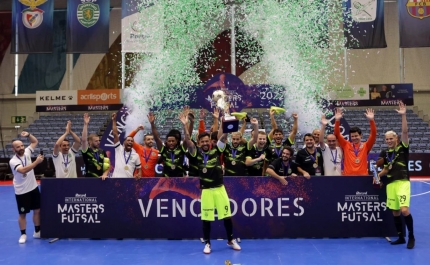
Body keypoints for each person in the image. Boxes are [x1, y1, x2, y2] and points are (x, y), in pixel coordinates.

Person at [179, 112, 241, 254]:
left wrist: (224, 123)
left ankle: (231, 239)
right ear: (199, 143)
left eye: (207, 141)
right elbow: (188, 141)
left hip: (220, 189)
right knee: (206, 219)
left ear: (210, 142)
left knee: (226, 216)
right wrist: (185, 125)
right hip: (206, 190)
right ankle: (207, 243)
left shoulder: (217, 151)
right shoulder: (196, 154)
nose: (205, 143)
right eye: (203, 142)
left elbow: (224, 137)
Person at [377, 102, 415, 249]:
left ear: (396, 138)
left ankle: (411, 236)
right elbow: (386, 169)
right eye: (386, 139)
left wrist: (403, 115)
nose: (389, 141)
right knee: (395, 212)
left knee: (404, 210)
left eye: (391, 138)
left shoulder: (403, 148)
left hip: (403, 182)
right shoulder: (385, 153)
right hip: (391, 183)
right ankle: (400, 237)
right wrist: (378, 175)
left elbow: (405, 132)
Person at [9, 132, 44, 244]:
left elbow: (34, 142)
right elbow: (23, 170)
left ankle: (37, 231)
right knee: (22, 214)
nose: (21, 148)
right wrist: (37, 162)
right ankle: (23, 234)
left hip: (33, 188)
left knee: (37, 210)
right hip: (21, 191)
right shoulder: (13, 161)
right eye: (18, 147)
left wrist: (28, 135)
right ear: (13, 149)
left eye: (22, 146)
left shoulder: (28, 152)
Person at [334, 108, 376, 175]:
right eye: (352, 136)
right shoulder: (346, 145)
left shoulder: (366, 145)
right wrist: (337, 120)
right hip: (348, 177)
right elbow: (337, 134)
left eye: (356, 136)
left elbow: (373, 135)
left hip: (363, 178)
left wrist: (371, 120)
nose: (354, 138)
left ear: (360, 136)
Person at [149, 112, 186, 177]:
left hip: (179, 181)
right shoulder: (164, 150)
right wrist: (152, 124)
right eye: (169, 141)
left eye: (173, 141)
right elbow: (157, 138)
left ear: (176, 141)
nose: (171, 143)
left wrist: (185, 124)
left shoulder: (181, 149)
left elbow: (187, 138)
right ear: (166, 142)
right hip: (166, 180)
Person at [109, 113, 142, 179]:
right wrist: (114, 120)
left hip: (128, 183)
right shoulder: (119, 149)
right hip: (115, 181)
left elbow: (139, 169)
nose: (130, 142)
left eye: (132, 141)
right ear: (124, 143)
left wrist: (139, 174)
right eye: (128, 140)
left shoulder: (135, 155)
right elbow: (115, 134)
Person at [81, 113, 110, 178]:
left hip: (101, 180)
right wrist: (85, 124)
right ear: (90, 141)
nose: (98, 142)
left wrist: (105, 174)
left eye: (99, 140)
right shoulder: (86, 151)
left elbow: (107, 166)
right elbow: (83, 140)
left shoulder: (102, 151)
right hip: (89, 180)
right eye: (96, 141)